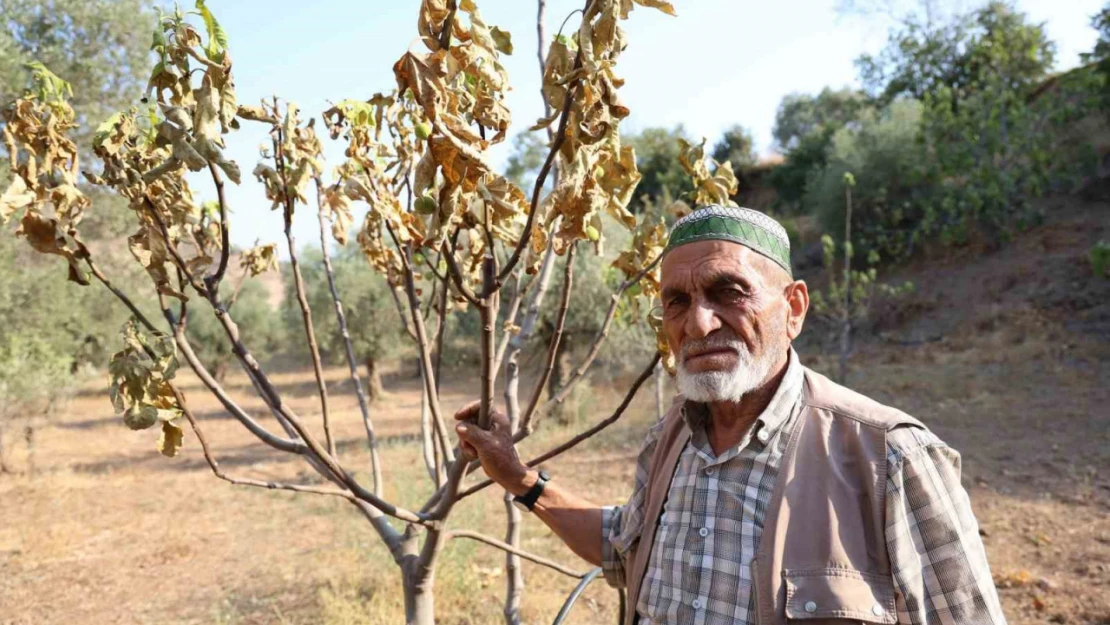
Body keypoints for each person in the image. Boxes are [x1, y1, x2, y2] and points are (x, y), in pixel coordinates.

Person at [455, 205, 1006, 625]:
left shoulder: (889, 456)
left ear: (792, 308)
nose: (697, 324)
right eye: (676, 301)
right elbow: (625, 549)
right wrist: (519, 478)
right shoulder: (670, 438)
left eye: (728, 292)